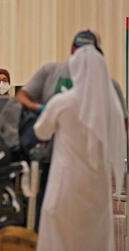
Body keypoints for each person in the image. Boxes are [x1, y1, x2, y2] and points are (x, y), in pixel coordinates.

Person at [15, 30, 128, 231]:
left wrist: (46, 113)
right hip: (88, 167)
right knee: (92, 225)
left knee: (58, 222)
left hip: (65, 168)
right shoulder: (54, 73)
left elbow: (41, 132)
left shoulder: (62, 102)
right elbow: (122, 127)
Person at [34, 45, 125, 251]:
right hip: (97, 183)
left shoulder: (62, 101)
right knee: (93, 235)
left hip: (65, 181)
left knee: (60, 234)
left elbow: (41, 132)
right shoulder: (111, 106)